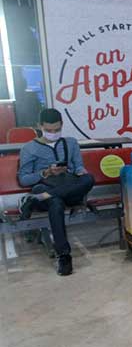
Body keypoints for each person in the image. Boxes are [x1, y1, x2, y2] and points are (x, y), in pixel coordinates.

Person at [17, 109, 95, 276]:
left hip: (67, 184)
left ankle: (33, 200)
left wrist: (80, 171)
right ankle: (64, 255)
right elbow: (23, 179)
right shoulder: (29, 149)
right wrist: (46, 173)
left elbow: (78, 166)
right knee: (56, 203)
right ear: (40, 126)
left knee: (89, 179)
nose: (53, 133)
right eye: (49, 130)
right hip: (44, 186)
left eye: (57, 130)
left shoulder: (71, 143)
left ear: (62, 125)